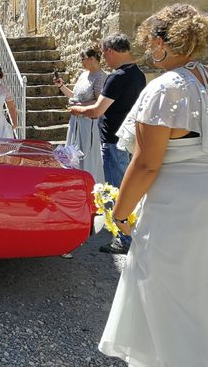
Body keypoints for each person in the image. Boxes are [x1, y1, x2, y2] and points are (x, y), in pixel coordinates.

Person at [98, 4, 208, 367]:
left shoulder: (166, 89)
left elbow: (145, 163)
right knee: (204, 292)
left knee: (166, 295)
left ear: (161, 41)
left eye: (150, 41)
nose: (148, 49)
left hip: (178, 206)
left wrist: (120, 213)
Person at [71, 33, 146, 254]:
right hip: (129, 139)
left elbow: (96, 111)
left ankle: (123, 239)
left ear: (111, 51)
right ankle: (131, 232)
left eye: (104, 54)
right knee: (128, 188)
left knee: (115, 191)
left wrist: (77, 110)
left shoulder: (117, 77)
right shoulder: (138, 75)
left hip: (113, 140)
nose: (105, 59)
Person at [54, 47, 107, 183]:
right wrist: (62, 87)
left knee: (86, 156)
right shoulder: (83, 75)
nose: (81, 62)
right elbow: (75, 97)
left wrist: (78, 107)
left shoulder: (101, 77)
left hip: (88, 122)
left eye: (82, 59)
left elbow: (98, 102)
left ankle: (89, 184)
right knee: (72, 154)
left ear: (92, 59)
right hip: (75, 121)